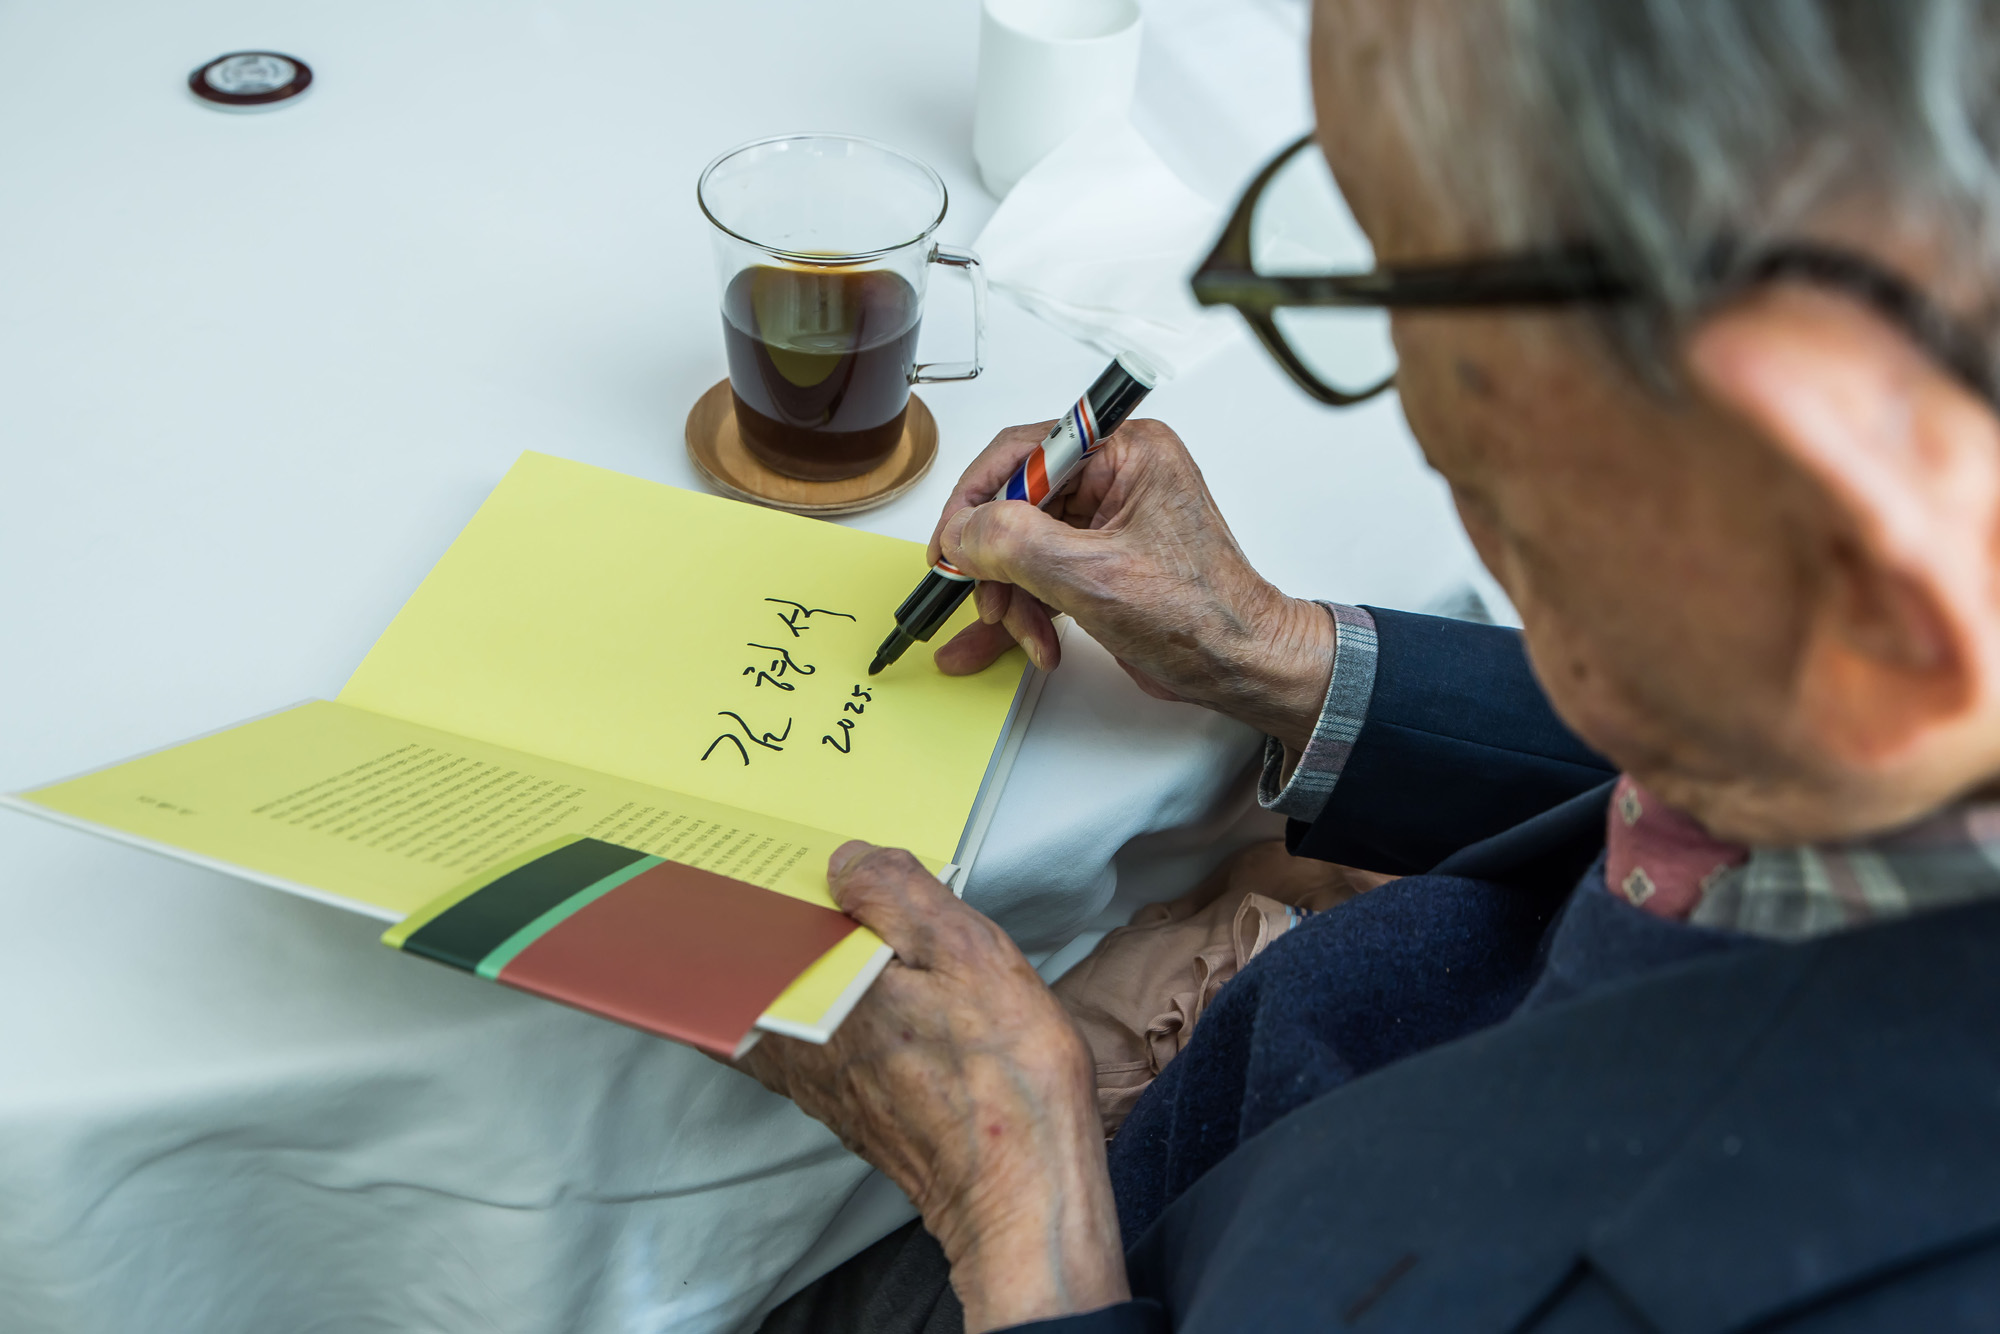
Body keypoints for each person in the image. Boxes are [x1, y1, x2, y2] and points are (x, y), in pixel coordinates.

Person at [750, 1, 2000, 1330]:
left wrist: (1026, 1226)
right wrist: (1274, 651)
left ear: (1871, 585)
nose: (1408, 396)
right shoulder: (1873, 664)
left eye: (1414, 280)